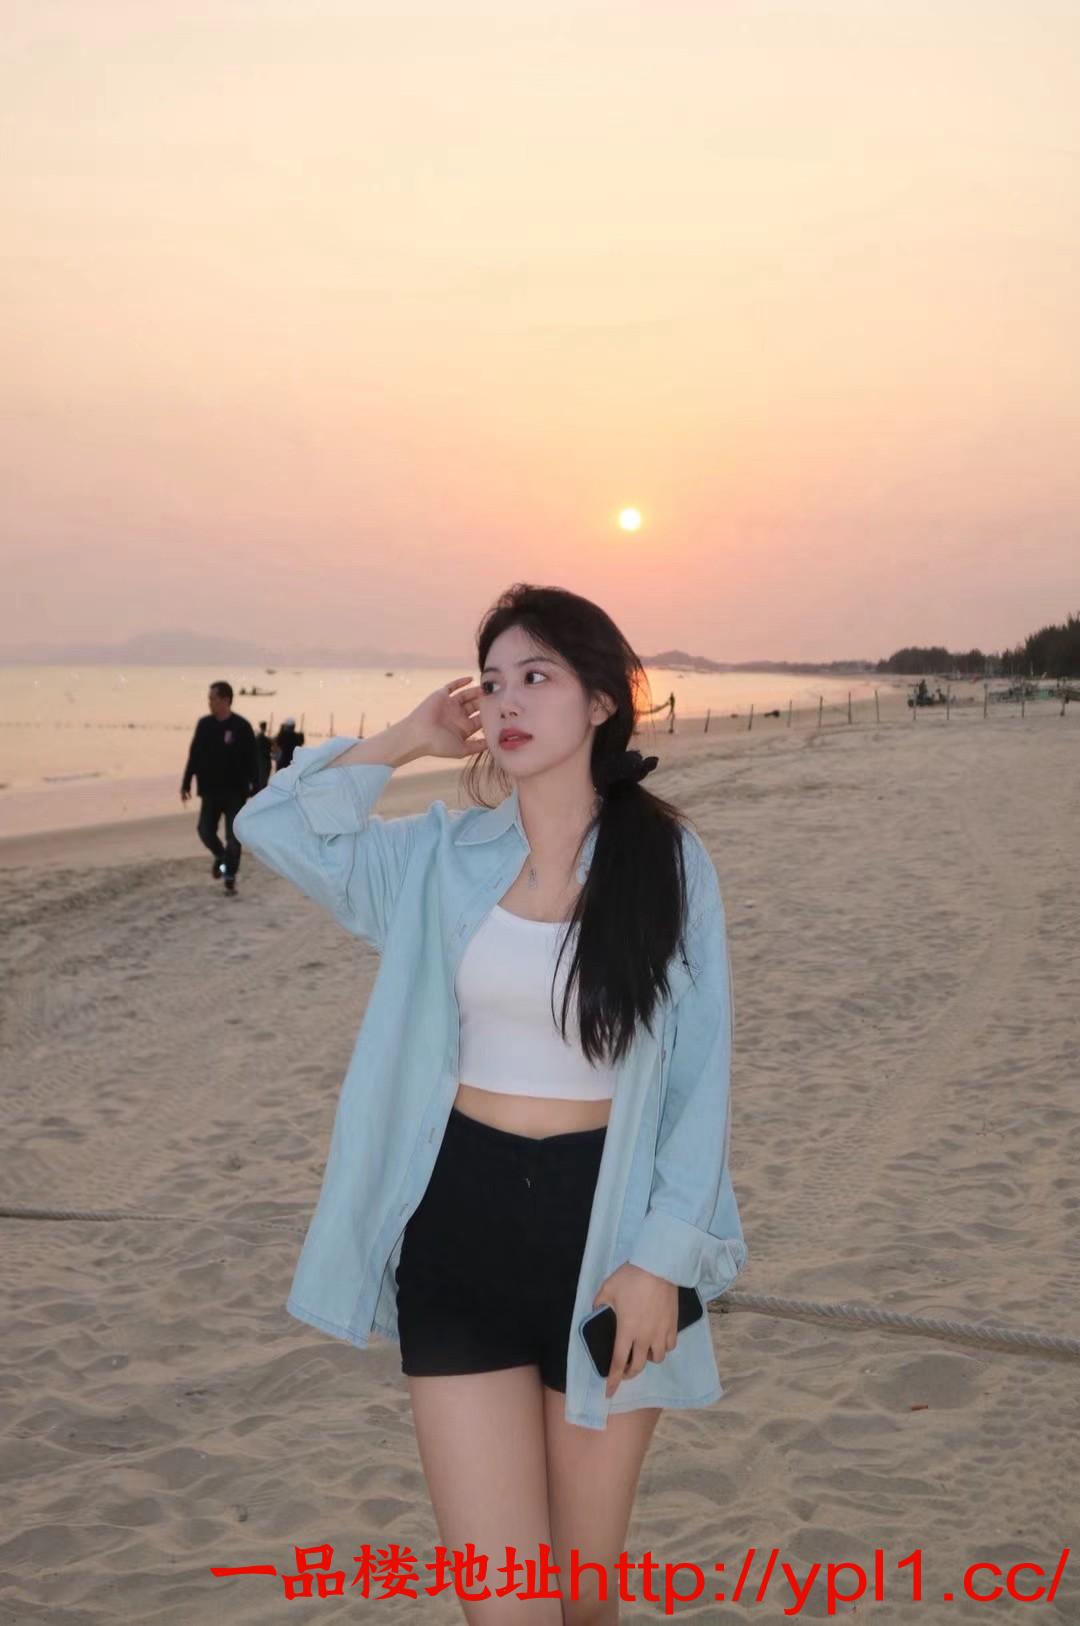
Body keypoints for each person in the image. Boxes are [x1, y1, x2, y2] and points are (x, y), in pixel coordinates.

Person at [233, 585, 746, 1624]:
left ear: (601, 700)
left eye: (537, 677)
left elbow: (701, 1075)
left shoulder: (666, 861)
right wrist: (402, 740)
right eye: (494, 681)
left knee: (581, 1600)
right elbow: (270, 824)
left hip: (607, 1244)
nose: (508, 701)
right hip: (457, 1231)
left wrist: (661, 1261)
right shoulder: (436, 857)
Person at [180, 681, 259, 894]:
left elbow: (253, 759)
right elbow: (194, 754)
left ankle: (229, 876)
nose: (210, 702)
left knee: (233, 838)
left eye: (213, 699)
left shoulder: (242, 726)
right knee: (205, 831)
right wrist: (186, 782)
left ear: (225, 700)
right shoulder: (204, 725)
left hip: (235, 791)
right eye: (209, 699)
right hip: (210, 790)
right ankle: (220, 857)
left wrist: (257, 787)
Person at [254, 721, 273, 789]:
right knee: (263, 780)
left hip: (261, 760)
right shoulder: (263, 739)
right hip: (263, 761)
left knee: (262, 779)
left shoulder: (258, 738)